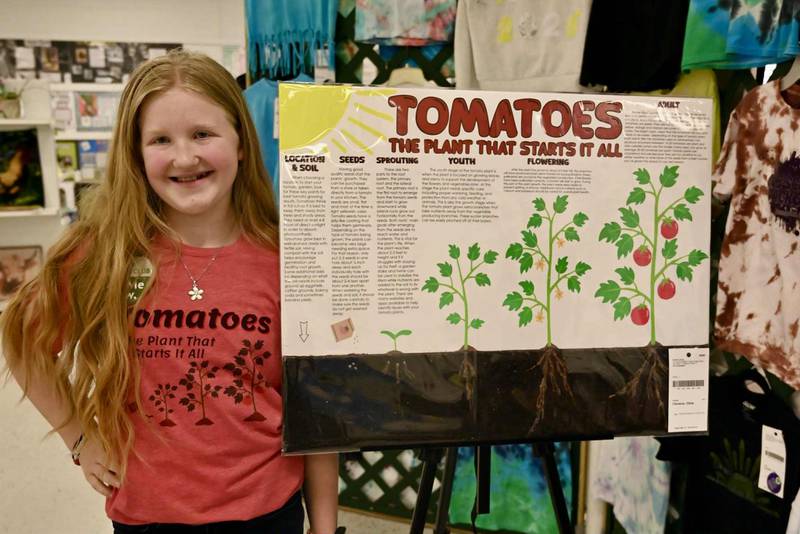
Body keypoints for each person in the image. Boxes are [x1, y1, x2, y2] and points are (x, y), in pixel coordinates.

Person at [0, 49, 338, 534]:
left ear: (241, 142)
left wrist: (324, 528)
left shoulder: (288, 259)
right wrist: (81, 440)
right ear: (137, 155)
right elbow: (22, 341)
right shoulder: (105, 253)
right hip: (147, 517)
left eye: (202, 134)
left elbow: (316, 409)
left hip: (266, 515)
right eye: (161, 139)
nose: (184, 157)